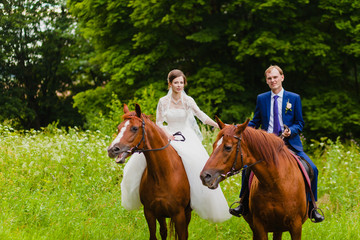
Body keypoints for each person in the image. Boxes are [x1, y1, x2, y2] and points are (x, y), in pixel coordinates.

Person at [121, 69, 231, 223]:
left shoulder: (188, 100)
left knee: (195, 162)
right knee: (142, 159)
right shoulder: (163, 101)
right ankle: (144, 193)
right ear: (170, 84)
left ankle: (191, 197)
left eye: (181, 82)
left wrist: (220, 126)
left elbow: (201, 116)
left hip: (186, 136)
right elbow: (159, 122)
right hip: (168, 134)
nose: (179, 85)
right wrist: (166, 134)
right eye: (176, 83)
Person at [229, 65, 324, 223]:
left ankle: (312, 207)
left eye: (275, 77)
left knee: (312, 168)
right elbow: (255, 121)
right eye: (269, 78)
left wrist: (291, 131)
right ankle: (243, 203)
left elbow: (299, 123)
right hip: (266, 146)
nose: (272, 80)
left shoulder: (293, 98)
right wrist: (240, 129)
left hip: (289, 144)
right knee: (247, 169)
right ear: (267, 81)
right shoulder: (262, 98)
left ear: (282, 77)